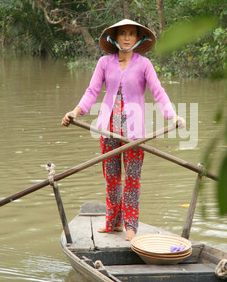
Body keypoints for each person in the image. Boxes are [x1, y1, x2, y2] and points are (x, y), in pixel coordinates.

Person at [62, 19, 184, 241]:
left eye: (132, 34)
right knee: (112, 178)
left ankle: (131, 226)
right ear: (115, 38)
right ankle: (113, 223)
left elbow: (159, 93)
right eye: (123, 34)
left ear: (138, 39)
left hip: (134, 133)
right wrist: (76, 111)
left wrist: (173, 115)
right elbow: (92, 91)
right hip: (108, 131)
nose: (127, 37)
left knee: (132, 180)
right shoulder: (104, 63)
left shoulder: (144, 64)